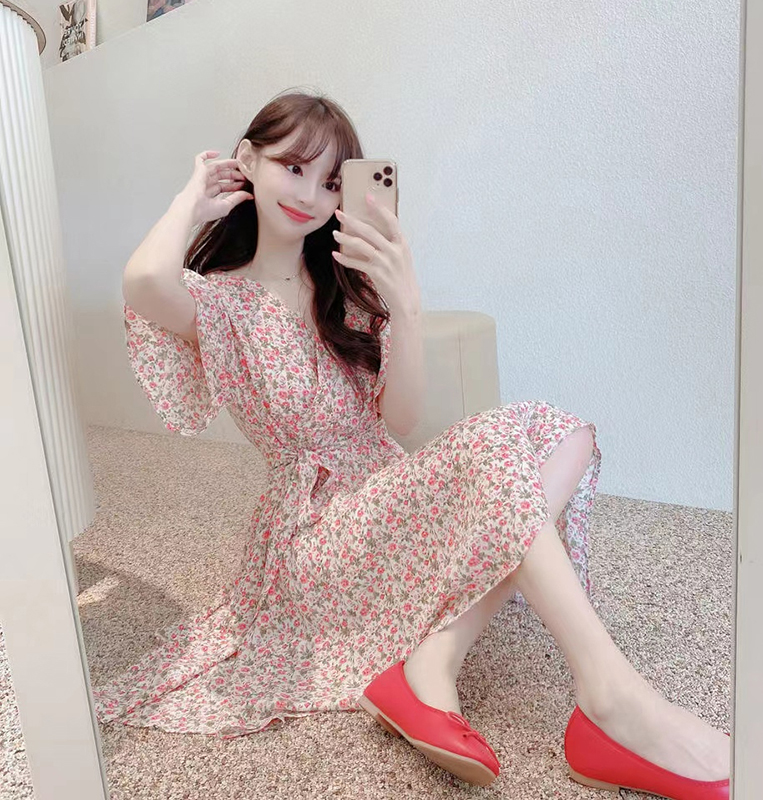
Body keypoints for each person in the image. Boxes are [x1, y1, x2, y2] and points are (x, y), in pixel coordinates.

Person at [92, 88, 730, 798]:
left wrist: (406, 304)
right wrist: (192, 198)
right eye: (293, 168)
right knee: (495, 448)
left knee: (566, 433)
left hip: (386, 491)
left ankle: (432, 662)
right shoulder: (217, 300)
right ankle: (611, 699)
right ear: (248, 160)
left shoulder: (342, 290)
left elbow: (399, 420)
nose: (310, 194)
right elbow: (144, 282)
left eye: (331, 182)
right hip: (316, 532)